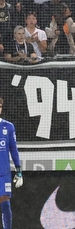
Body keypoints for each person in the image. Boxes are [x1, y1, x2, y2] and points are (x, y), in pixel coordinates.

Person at [0, 97, 22, 229]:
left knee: (6, 205)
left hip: (4, 174)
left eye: (0, 106)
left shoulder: (8, 127)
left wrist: (18, 171)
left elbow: (13, 149)